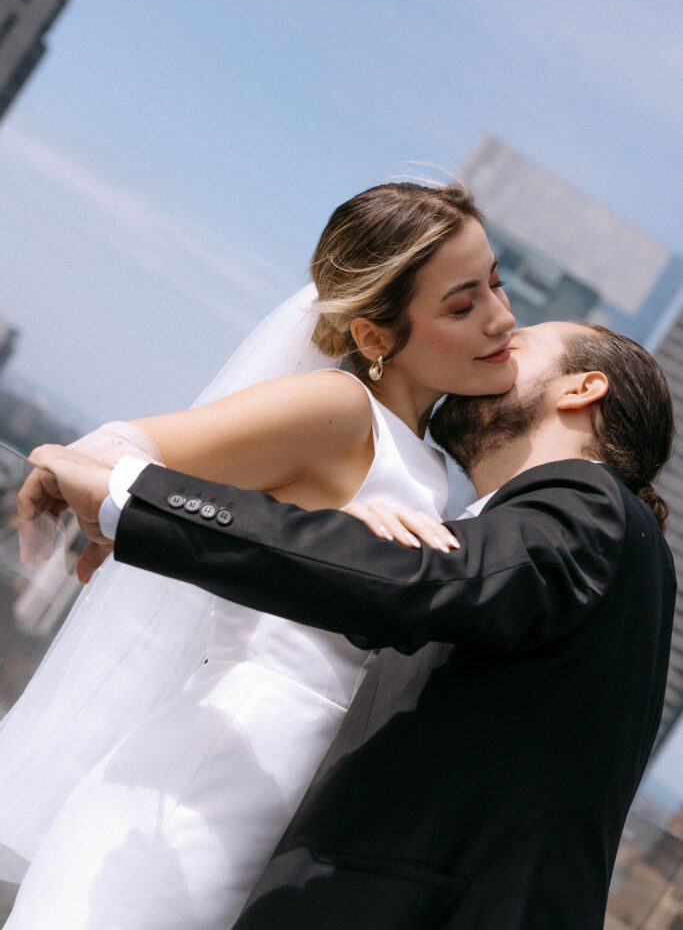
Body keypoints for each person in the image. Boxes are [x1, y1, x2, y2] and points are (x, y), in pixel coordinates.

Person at [18, 319, 677, 929]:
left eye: (514, 347)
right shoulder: (592, 548)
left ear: (581, 389)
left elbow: (412, 586)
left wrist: (129, 501)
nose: (485, 355)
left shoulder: (591, 505)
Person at [1, 180, 515, 929]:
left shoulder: (425, 465)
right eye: (462, 305)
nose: (501, 319)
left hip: (277, 793)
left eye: (496, 283)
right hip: (204, 785)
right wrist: (76, 480)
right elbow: (122, 448)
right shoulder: (338, 409)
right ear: (374, 336)